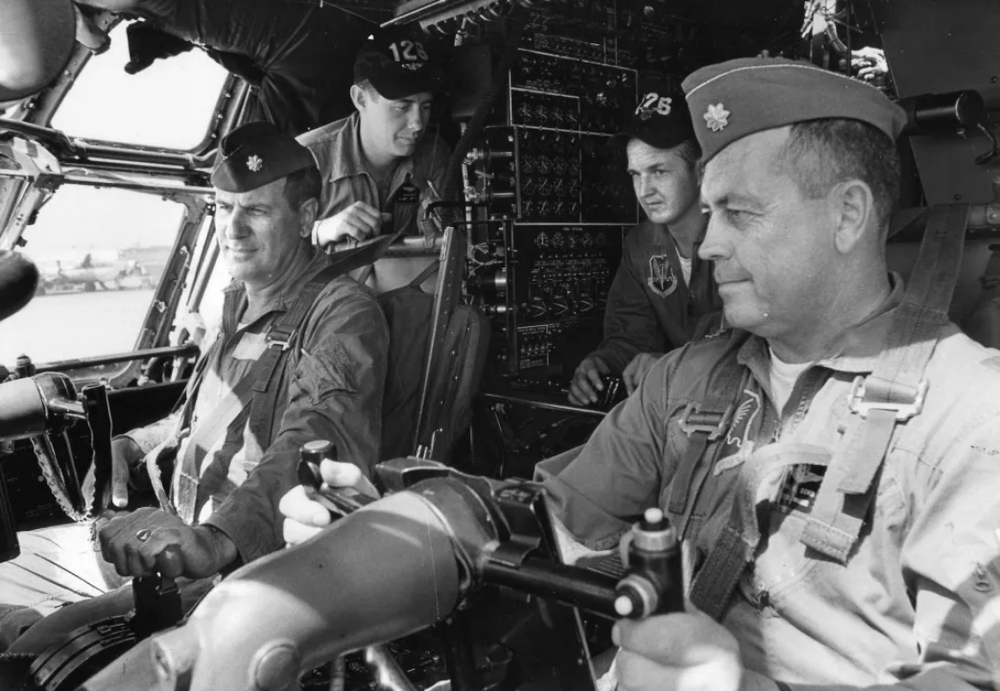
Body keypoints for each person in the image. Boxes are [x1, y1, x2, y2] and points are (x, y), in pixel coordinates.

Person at [284, 58, 1000, 690]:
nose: (710, 242)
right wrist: (388, 515)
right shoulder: (685, 380)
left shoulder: (971, 416)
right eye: (711, 211)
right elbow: (547, 514)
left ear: (847, 215)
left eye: (741, 214)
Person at [0, 120, 389, 653]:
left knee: (33, 651)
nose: (233, 228)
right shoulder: (238, 302)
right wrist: (130, 447)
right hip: (168, 537)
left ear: (304, 219)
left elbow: (317, 444)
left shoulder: (342, 314)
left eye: (254, 210)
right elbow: (194, 418)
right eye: (224, 208)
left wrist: (214, 540)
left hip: (235, 573)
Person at [568, 91, 721, 407]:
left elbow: (753, 343)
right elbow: (630, 338)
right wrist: (603, 363)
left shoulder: (736, 238)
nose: (644, 191)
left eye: (659, 171)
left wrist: (672, 365)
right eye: (635, 175)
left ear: (701, 170)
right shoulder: (641, 246)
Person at [297, 29, 452, 249]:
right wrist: (321, 231)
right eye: (402, 107)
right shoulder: (305, 159)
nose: (417, 123)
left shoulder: (434, 154)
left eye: (425, 107)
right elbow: (265, 254)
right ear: (361, 99)